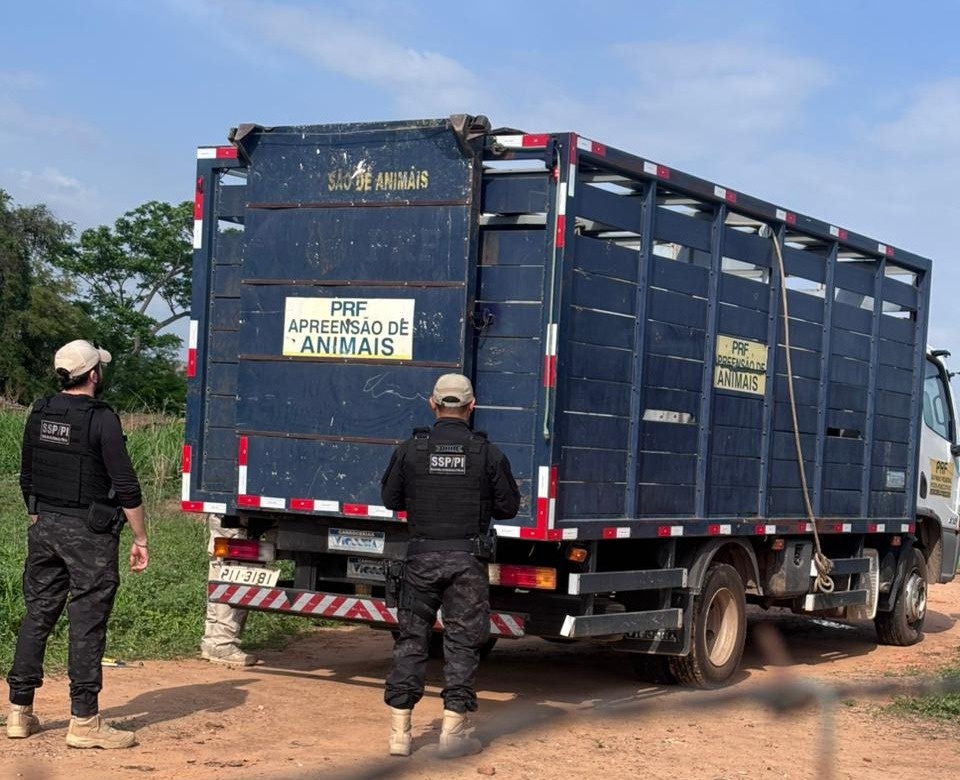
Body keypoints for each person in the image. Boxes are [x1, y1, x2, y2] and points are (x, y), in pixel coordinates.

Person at [6, 339, 149, 749]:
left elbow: (26, 475)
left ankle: (19, 711)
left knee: (38, 614)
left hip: (44, 527)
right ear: (93, 375)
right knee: (86, 622)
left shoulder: (40, 412)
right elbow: (125, 484)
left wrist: (41, 520)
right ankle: (84, 722)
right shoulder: (101, 419)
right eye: (99, 369)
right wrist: (140, 537)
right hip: (89, 533)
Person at [380, 373, 520, 758]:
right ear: (472, 407)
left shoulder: (411, 449)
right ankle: (452, 734)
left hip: (421, 558)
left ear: (432, 404)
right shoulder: (487, 453)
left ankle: (400, 735)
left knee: (411, 640)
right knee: (462, 644)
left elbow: (391, 498)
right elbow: (509, 507)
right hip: (467, 563)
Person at [200, 513, 258, 666]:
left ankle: (212, 641)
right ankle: (223, 644)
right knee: (236, 571)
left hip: (221, 512)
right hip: (239, 519)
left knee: (219, 567)